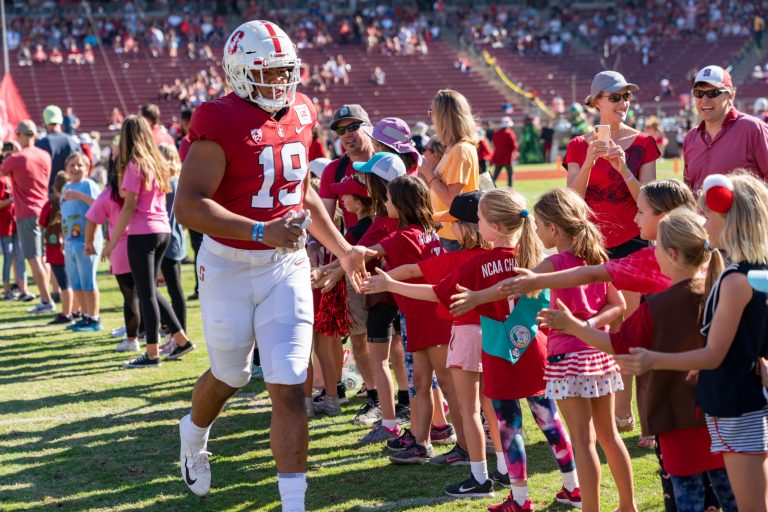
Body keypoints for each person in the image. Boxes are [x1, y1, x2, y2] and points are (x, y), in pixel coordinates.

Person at [173, 21, 369, 511]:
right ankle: (193, 433)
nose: (281, 81)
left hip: (285, 265)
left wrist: (343, 249)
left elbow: (300, 190)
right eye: (270, 72)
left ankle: (294, 504)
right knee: (231, 376)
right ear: (239, 74)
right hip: (228, 265)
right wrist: (260, 231)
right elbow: (189, 205)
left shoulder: (302, 110)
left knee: (288, 384)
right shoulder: (218, 118)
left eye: (287, 70)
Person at [538, 208, 737, 512]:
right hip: (720, 419)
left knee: (686, 499)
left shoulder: (658, 306)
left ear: (670, 253)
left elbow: (618, 343)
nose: (651, 254)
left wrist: (573, 325)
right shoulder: (725, 292)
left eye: (656, 248)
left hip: (675, 418)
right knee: (728, 497)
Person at [616, 173, 768, 511]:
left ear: (729, 220)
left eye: (709, 216)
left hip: (736, 409)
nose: (703, 222)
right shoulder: (752, 271)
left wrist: (653, 360)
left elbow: (713, 354)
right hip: (735, 402)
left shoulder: (735, 279)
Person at [361, 191, 508, 498]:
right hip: (501, 340)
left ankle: (477, 470)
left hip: (468, 338)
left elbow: (429, 285)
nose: (449, 230)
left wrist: (387, 283)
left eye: (455, 223)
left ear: (471, 228)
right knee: (494, 407)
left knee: (469, 409)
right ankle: (507, 470)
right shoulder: (507, 255)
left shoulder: (461, 260)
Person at [530, 188, 633, 512]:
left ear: (553, 228)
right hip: (600, 357)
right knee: (609, 437)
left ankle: (591, 509)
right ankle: (627, 506)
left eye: (536, 224)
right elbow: (619, 305)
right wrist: (590, 326)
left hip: (568, 360)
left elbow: (519, 286)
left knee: (583, 441)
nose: (534, 229)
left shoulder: (554, 263)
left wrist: (577, 325)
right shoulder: (597, 258)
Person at [568, 70, 659, 435]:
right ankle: (608, 411)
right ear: (596, 103)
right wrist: (590, 160)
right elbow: (572, 200)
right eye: (615, 97)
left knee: (631, 328)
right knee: (602, 326)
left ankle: (626, 413)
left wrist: (623, 167)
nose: (623, 104)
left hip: (634, 244)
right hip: (594, 248)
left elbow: (651, 203)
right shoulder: (578, 144)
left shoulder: (643, 144)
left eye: (626, 97)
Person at [106, 116, 195, 367]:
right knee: (151, 292)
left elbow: (129, 206)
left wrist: (112, 241)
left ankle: (153, 353)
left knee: (146, 294)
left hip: (142, 232)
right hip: (162, 230)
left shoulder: (135, 165)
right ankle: (181, 339)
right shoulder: (157, 163)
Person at [317, 104, 378, 423]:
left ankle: (410, 400)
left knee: (398, 341)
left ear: (368, 126)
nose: (346, 135)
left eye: (352, 126)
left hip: (393, 257)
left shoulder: (388, 160)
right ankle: (376, 396)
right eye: (339, 130)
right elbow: (324, 220)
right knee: (360, 335)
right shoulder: (333, 171)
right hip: (354, 263)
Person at [85, 158, 142, 352]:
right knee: (145, 295)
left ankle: (132, 338)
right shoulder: (139, 187)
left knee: (130, 297)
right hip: (142, 241)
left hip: (120, 248)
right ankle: (152, 332)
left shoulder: (109, 193)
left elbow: (92, 218)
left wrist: (88, 242)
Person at [682, 65, 768, 192]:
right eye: (698, 93)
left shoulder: (753, 129)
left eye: (713, 93)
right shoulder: (691, 137)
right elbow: (688, 191)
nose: (704, 99)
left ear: (731, 95)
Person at [0, 120, 55, 313]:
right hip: (44, 209)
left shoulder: (16, 158)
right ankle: (46, 296)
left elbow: (2, 171)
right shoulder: (45, 155)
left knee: (34, 258)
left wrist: (12, 153)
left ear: (20, 135)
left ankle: (46, 301)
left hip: (27, 213)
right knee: (44, 257)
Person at [419, 89, 480, 252]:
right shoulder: (452, 148)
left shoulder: (461, 150)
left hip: (456, 235)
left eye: (432, 111)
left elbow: (453, 202)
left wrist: (428, 172)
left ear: (444, 117)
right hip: (447, 231)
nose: (430, 117)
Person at [60, 152, 102, 332]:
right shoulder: (66, 187)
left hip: (87, 241)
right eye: (72, 165)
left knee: (88, 281)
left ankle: (94, 318)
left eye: (80, 165)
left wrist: (79, 195)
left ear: (87, 168)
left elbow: (99, 206)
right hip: (70, 242)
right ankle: (84, 316)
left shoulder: (89, 185)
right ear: (66, 168)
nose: (75, 168)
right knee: (76, 282)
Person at [157, 143, 188, 350]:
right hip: (176, 240)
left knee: (175, 291)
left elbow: (166, 218)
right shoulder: (177, 181)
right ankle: (176, 333)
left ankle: (180, 335)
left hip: (169, 243)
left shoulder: (169, 183)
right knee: (174, 290)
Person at [41, 172, 75, 325]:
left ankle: (66, 312)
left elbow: (41, 222)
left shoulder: (51, 204)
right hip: (71, 245)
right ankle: (77, 310)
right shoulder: (73, 201)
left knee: (64, 284)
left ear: (55, 187)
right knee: (75, 283)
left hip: (55, 250)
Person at [35, 105, 80, 191]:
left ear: (45, 121)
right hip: (71, 191)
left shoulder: (40, 144)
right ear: (61, 120)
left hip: (47, 191)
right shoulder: (71, 141)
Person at [0, 172, 27, 301]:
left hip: (16, 222)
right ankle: (6, 291)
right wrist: (12, 199)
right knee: (8, 257)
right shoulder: (2, 181)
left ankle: (23, 290)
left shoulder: (10, 179)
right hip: (4, 226)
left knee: (20, 256)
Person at [491, 116, 517, 187]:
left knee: (495, 174)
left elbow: (495, 145)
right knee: (510, 174)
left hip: (498, 156)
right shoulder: (509, 133)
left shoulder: (496, 134)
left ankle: (489, 187)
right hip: (507, 157)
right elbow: (514, 146)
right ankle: (510, 189)